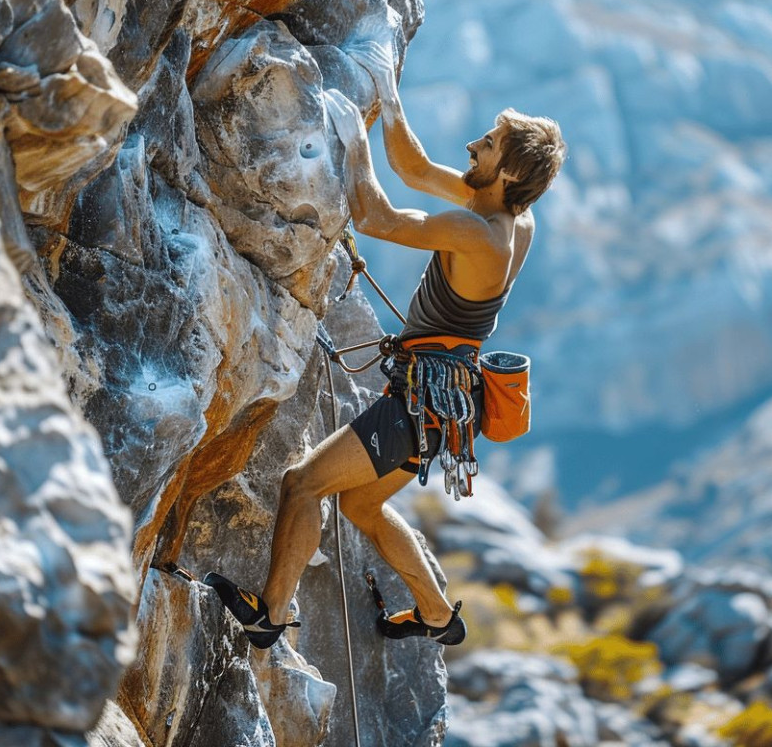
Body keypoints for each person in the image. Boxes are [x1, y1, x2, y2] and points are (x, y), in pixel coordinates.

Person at [205, 43, 566, 649]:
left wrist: (356, 145)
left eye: (489, 143)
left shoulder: (480, 235)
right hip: (445, 402)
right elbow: (420, 172)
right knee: (362, 509)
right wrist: (391, 104)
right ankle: (436, 615)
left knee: (303, 483)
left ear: (506, 173)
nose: (475, 144)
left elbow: (378, 218)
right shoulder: (511, 217)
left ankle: (270, 614)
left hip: (419, 406)